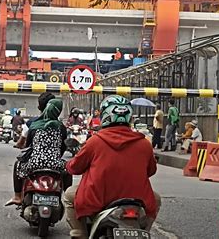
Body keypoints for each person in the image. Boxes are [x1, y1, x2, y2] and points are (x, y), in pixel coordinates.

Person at [63, 95, 160, 238]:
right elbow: (151, 171)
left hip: (99, 198)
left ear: (105, 116)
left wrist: (68, 164)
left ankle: (80, 234)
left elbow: (75, 168)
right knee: (156, 199)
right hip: (137, 200)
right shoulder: (144, 143)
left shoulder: (95, 141)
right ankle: (144, 231)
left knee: (69, 194)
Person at [5, 98, 70, 206]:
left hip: (34, 163)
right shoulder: (61, 127)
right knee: (69, 169)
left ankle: (17, 197)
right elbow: (63, 148)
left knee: (17, 164)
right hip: (56, 165)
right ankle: (68, 197)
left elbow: (29, 145)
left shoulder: (34, 125)